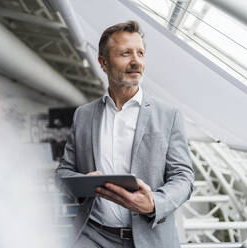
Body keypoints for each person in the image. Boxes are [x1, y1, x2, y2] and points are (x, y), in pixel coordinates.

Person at [55, 20, 194, 248]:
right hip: (93, 236)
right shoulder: (84, 115)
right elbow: (63, 173)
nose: (136, 61)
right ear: (104, 63)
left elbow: (183, 178)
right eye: (126, 53)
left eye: (140, 53)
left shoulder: (168, 115)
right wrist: (81, 183)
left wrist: (154, 204)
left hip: (150, 238)